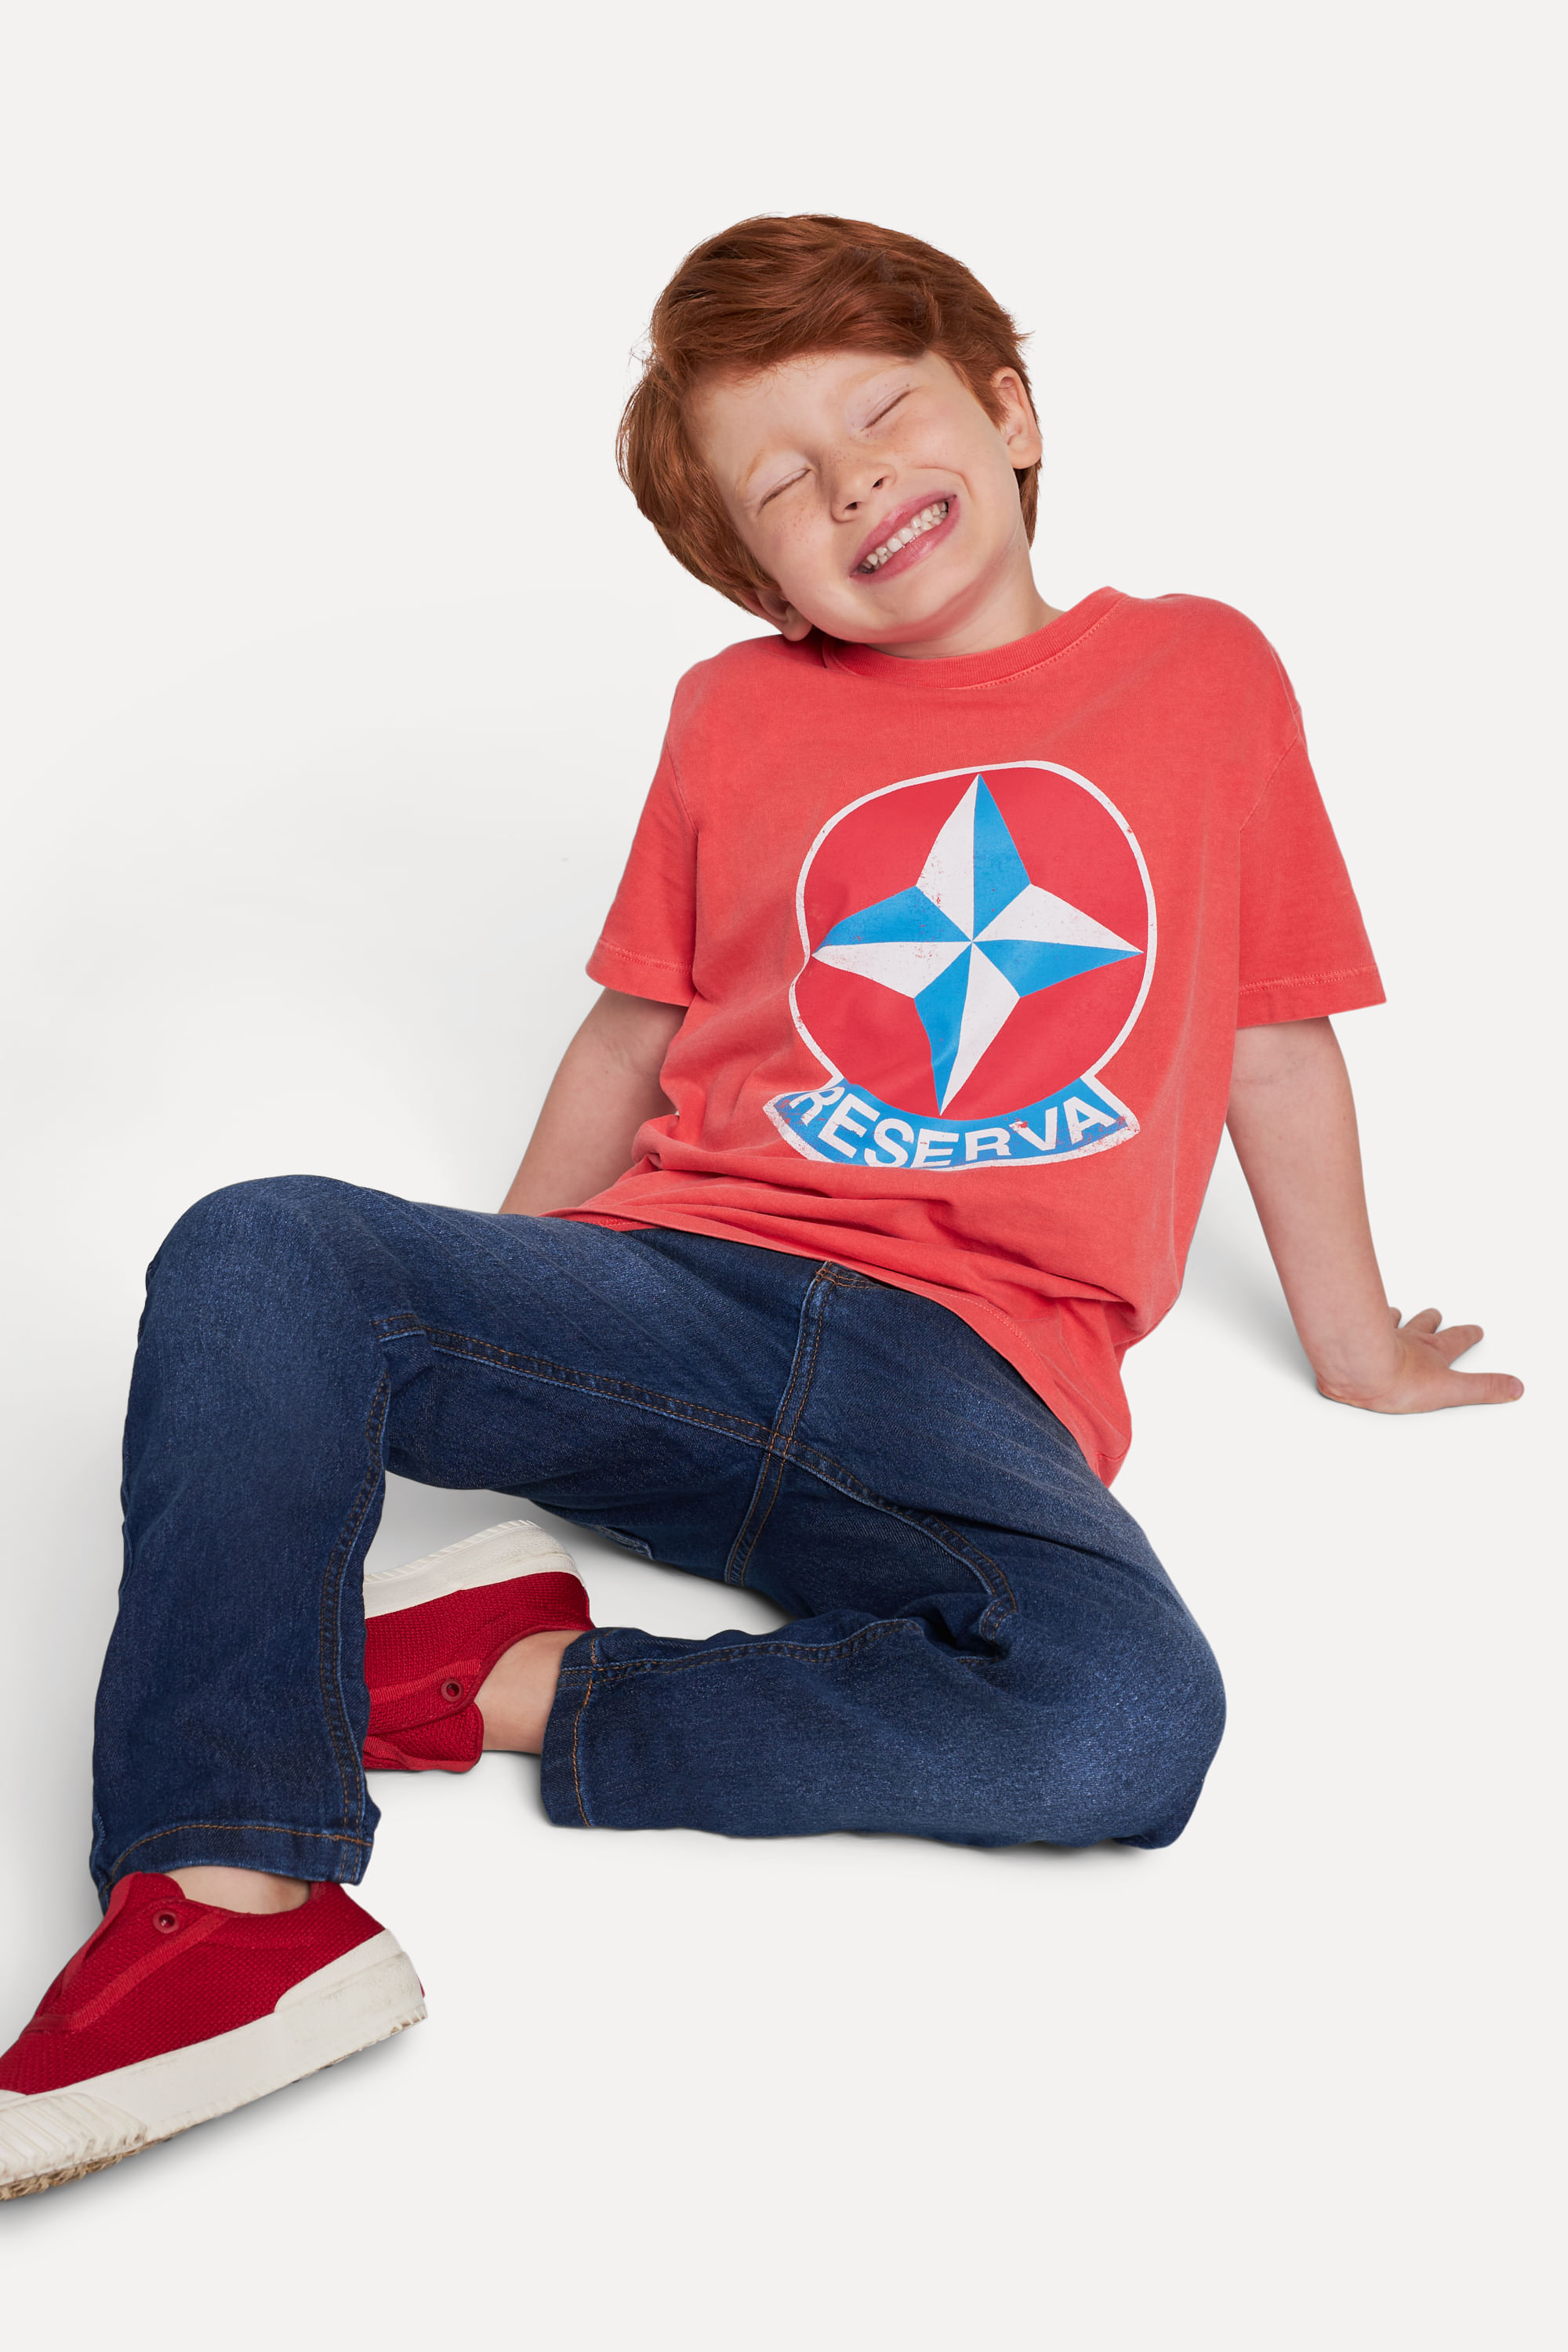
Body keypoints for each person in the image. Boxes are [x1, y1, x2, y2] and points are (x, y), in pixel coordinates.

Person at [0, 214, 1521, 2199]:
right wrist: (500, 1296)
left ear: (1011, 409)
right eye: (785, 485)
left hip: (975, 1381)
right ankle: (231, 1907)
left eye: (882, 413)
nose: (857, 482)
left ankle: (481, 1678)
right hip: (683, 1296)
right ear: (750, 570)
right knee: (265, 1239)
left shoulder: (1200, 673)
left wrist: (1357, 1347)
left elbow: (1270, 1040)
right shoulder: (736, 711)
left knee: (1124, 1726)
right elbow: (632, 1033)